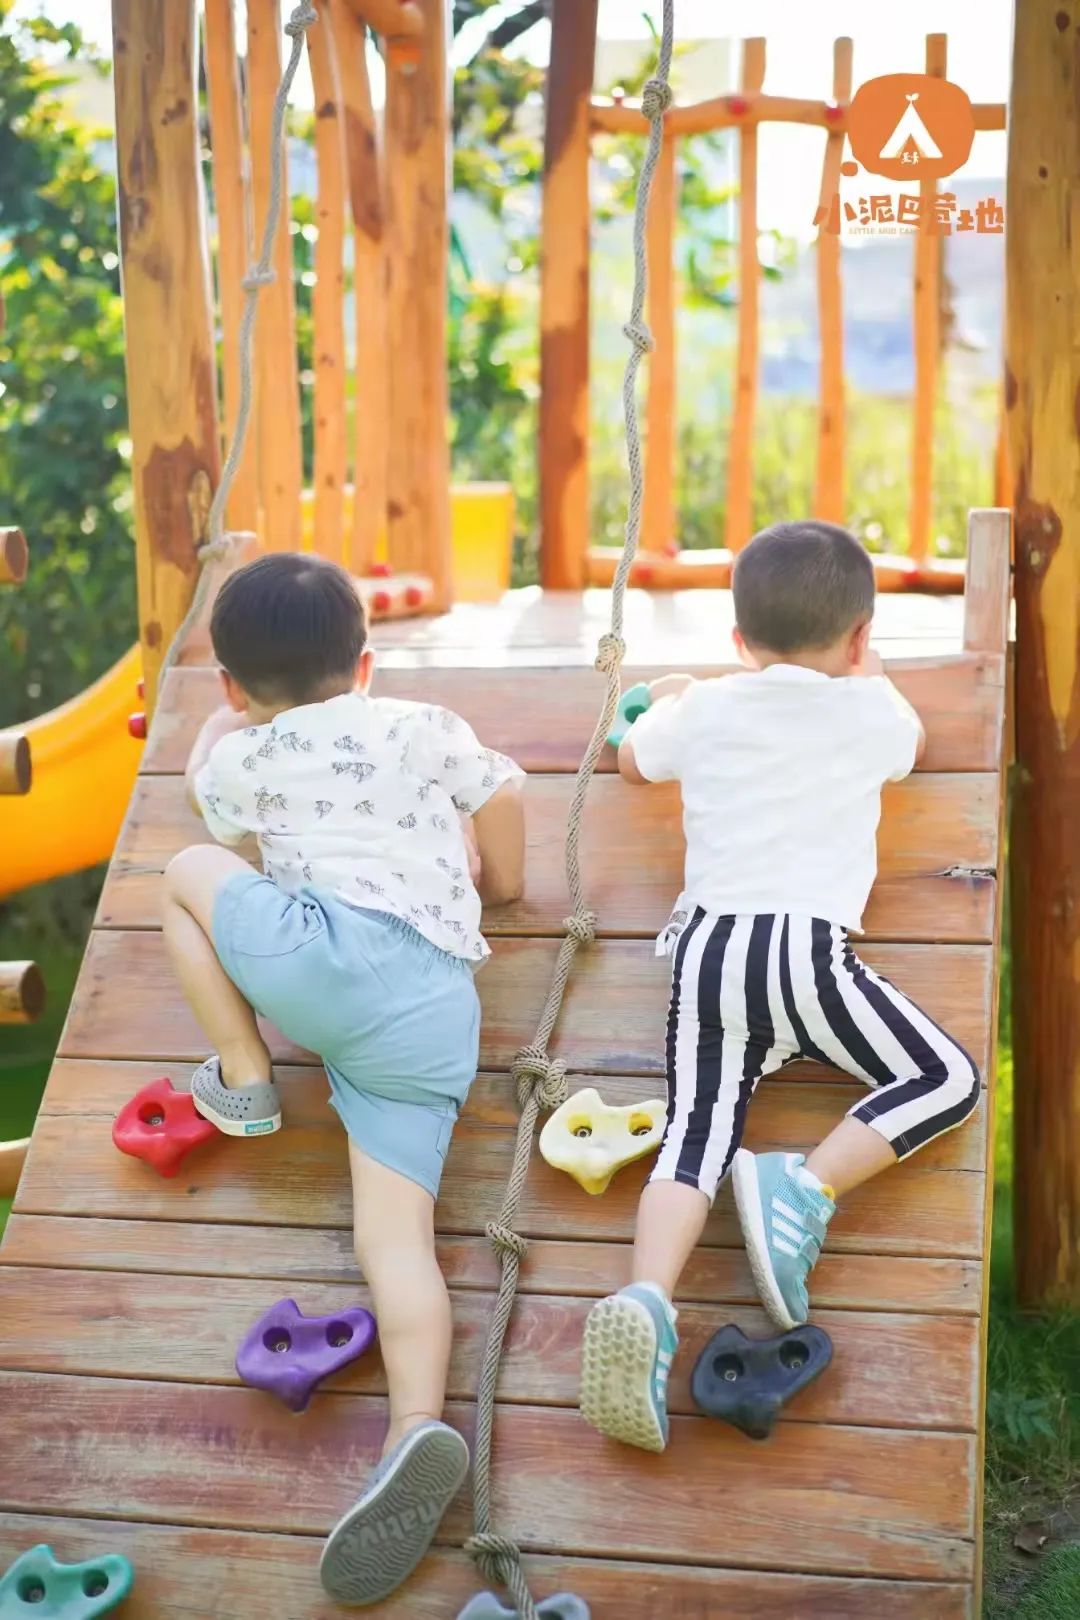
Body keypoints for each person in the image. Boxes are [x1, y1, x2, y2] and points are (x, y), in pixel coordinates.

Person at [163, 552, 525, 1603]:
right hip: (437, 1011)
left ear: (235, 687)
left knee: (181, 878)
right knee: (393, 1241)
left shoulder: (246, 749)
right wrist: (501, 881)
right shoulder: (420, 723)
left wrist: (212, 734)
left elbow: (218, 824)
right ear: (365, 663)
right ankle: (417, 1422)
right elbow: (506, 786)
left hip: (324, 970)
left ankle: (244, 1075)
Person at [579, 520, 980, 1454]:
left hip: (709, 951)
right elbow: (910, 741)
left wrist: (657, 704)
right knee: (943, 1080)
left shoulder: (711, 706)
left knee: (693, 1136)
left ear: (737, 643)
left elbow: (634, 759)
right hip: (803, 953)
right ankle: (803, 1185)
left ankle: (646, 1297)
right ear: (858, 637)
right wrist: (868, 670)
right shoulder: (872, 709)